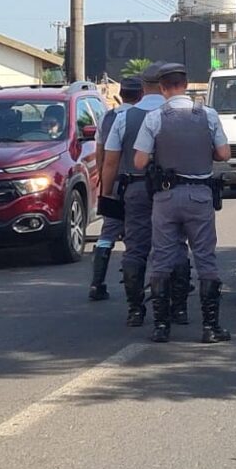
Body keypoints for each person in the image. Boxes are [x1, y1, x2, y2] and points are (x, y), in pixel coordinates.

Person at [132, 62, 230, 344]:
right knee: (205, 259)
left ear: (162, 88)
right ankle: (211, 327)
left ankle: (161, 326)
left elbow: (139, 161)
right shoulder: (208, 115)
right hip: (200, 195)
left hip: (165, 197)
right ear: (186, 85)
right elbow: (223, 153)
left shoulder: (154, 117)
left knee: (162, 259)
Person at [88, 73, 145, 303]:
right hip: (138, 182)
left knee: (107, 234)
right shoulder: (142, 118)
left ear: (121, 94)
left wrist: (104, 186)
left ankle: (97, 283)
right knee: (140, 233)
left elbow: (101, 154)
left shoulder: (107, 118)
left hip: (113, 184)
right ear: (141, 95)